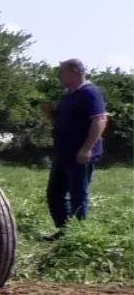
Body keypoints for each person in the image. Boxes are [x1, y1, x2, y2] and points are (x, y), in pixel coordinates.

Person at [41, 58, 108, 239]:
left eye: (61, 71)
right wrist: (50, 114)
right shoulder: (68, 94)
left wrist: (87, 149)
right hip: (63, 152)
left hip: (80, 154)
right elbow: (62, 121)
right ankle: (65, 231)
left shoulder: (90, 93)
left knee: (78, 195)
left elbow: (100, 120)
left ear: (74, 71)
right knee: (55, 193)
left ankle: (77, 236)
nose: (59, 75)